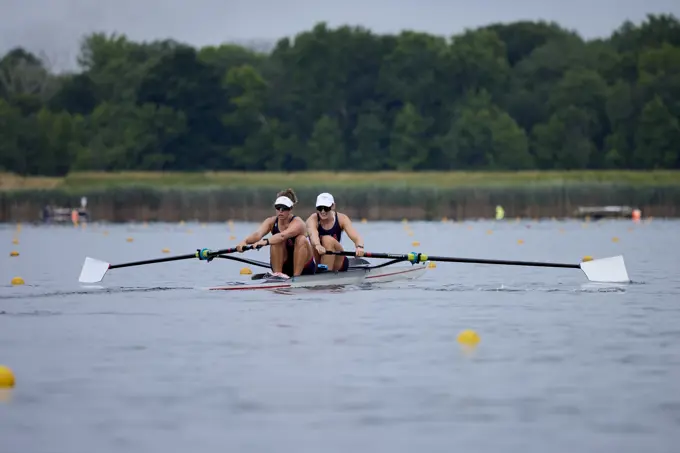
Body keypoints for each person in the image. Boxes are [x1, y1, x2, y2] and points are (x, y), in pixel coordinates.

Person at [236, 188, 316, 279]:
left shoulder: (298, 223)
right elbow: (258, 234)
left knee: (300, 239)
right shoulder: (271, 221)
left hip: (305, 267)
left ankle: (296, 277)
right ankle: (278, 275)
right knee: (275, 241)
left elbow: (282, 235)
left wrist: (265, 241)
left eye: (284, 208)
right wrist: (244, 242)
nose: (280, 211)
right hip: (285, 266)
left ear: (290, 209)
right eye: (278, 208)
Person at [306, 192, 364, 272]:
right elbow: (313, 234)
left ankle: (325, 274)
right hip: (318, 259)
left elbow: (356, 237)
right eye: (320, 208)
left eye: (326, 208)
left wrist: (359, 247)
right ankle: (321, 271)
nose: (322, 211)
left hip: (338, 262)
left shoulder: (342, 219)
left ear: (333, 206)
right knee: (310, 243)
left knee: (327, 239)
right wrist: (318, 245)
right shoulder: (312, 219)